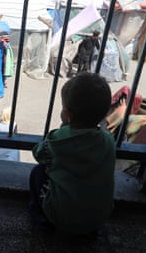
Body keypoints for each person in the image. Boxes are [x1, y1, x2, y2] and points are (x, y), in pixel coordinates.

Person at [29, 72, 115, 235]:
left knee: (38, 173)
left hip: (62, 218)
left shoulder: (58, 141)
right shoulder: (108, 141)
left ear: (68, 115)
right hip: (97, 219)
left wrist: (63, 129)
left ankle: (40, 216)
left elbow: (38, 153)